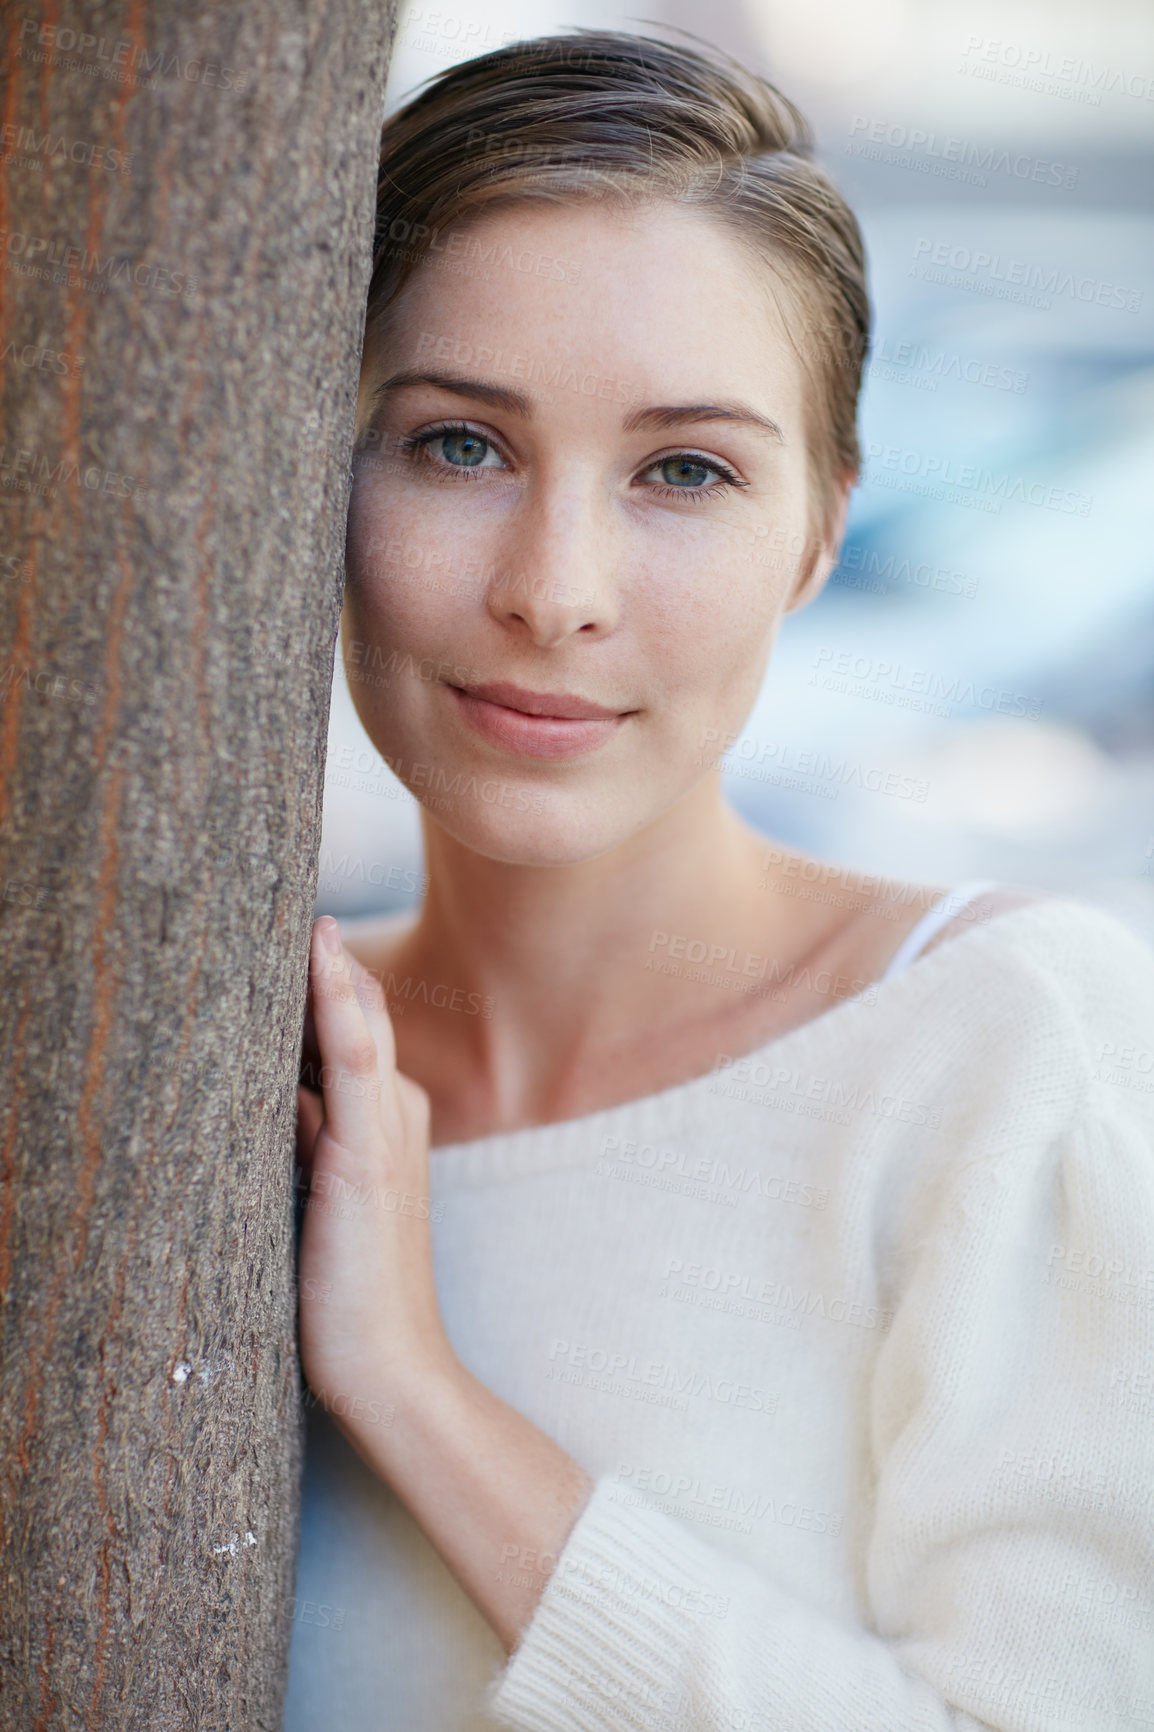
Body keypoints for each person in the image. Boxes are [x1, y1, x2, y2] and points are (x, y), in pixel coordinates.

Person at [284, 30, 1154, 1732]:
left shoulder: (1005, 1049)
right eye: (458, 444)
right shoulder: (239, 1055)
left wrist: (415, 1390)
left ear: (820, 531)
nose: (556, 589)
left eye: (685, 469)